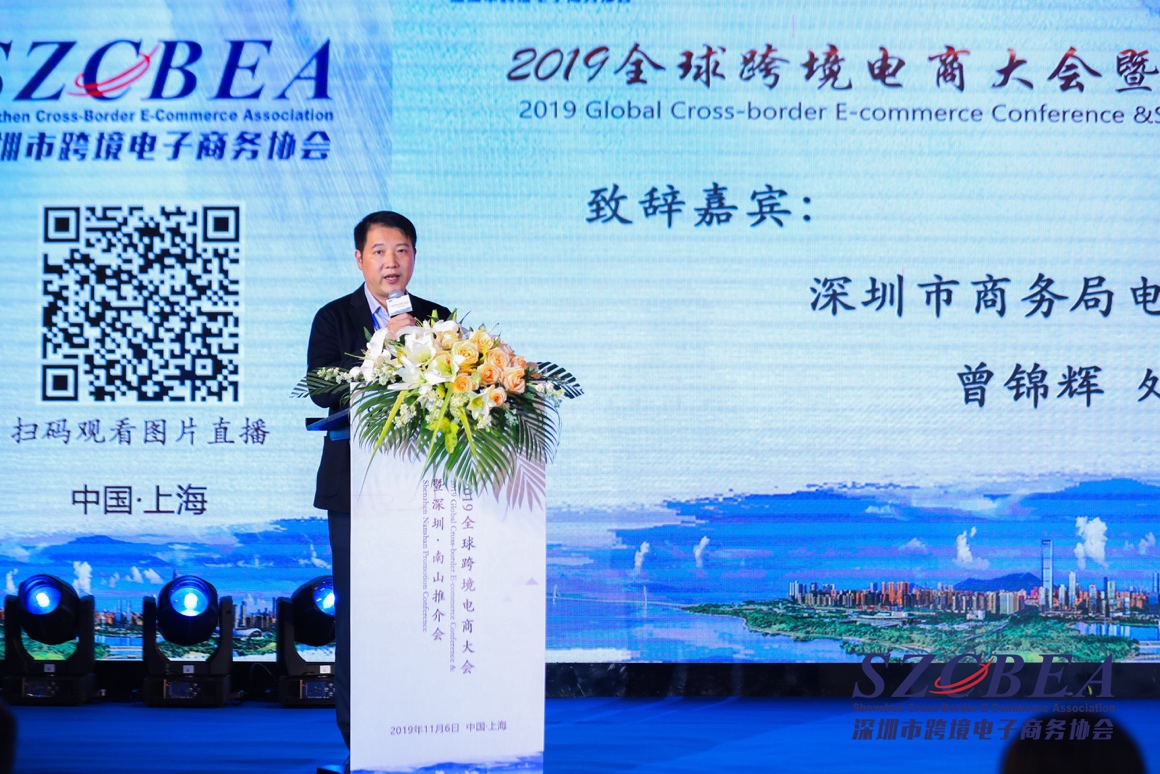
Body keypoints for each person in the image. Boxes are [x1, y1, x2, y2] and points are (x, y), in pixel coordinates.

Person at [307, 211, 451, 751]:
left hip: (423, 489)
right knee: (359, 610)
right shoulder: (334, 317)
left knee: (420, 606)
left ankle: (422, 721)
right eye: (380, 251)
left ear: (414, 256)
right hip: (353, 489)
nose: (392, 262)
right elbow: (322, 389)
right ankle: (359, 733)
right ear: (359, 259)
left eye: (403, 250)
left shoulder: (438, 319)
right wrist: (385, 348)